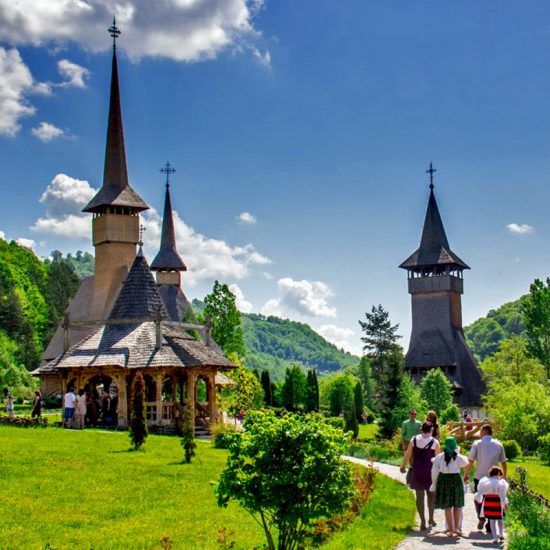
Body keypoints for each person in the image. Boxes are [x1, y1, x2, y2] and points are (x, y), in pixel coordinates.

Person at [463, 424, 507, 532]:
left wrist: (466, 474)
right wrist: (504, 476)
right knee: (493, 500)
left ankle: (481, 516)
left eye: (481, 431)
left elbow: (470, 460)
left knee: (478, 498)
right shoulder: (498, 444)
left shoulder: (477, 444)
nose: (479, 433)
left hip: (480, 476)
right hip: (495, 478)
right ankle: (490, 524)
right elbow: (503, 462)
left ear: (484, 431)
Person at [400, 421, 441, 530]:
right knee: (431, 496)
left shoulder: (414, 439)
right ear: (431, 430)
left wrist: (403, 466)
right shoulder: (435, 442)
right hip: (430, 472)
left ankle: (422, 520)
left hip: (417, 470)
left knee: (419, 497)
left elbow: (408, 454)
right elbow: (438, 460)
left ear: (421, 429)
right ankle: (431, 519)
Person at [430, 436, 469, 537]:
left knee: (447, 506)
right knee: (457, 505)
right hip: (456, 480)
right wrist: (457, 451)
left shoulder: (439, 457)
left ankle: (451, 530)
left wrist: (434, 483)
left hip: (444, 480)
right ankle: (456, 528)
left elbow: (434, 472)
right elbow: (466, 463)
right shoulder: (458, 457)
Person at [474, 466, 509, 544]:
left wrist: (479, 500)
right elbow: (503, 495)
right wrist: (504, 504)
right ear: (498, 473)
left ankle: (495, 538)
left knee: (492, 520)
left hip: (488, 501)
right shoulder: (501, 483)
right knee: (500, 519)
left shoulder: (484, 482)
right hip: (498, 502)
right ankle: (501, 534)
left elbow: (479, 492)